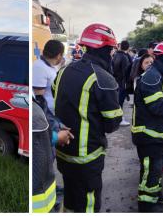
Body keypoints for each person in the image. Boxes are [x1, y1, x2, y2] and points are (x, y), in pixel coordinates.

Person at [53, 23, 123, 212]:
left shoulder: (64, 70)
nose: (111, 55)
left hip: (62, 150)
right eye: (110, 51)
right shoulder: (103, 78)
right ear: (104, 50)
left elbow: (55, 98)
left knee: (71, 194)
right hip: (87, 156)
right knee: (88, 202)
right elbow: (112, 123)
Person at [131, 41, 163, 212]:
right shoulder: (152, 77)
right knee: (150, 171)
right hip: (148, 135)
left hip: (158, 133)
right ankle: (146, 206)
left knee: (156, 169)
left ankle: (155, 195)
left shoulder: (162, 75)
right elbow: (159, 107)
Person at [112, 40, 132, 126]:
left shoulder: (116, 55)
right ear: (128, 47)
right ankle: (120, 119)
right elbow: (126, 72)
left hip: (115, 81)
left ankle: (117, 118)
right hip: (122, 82)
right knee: (120, 101)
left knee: (117, 101)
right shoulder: (124, 57)